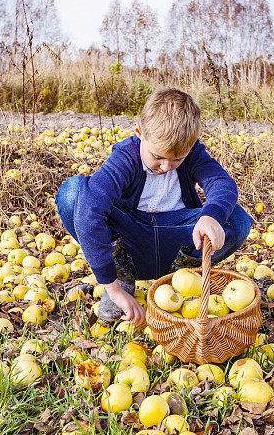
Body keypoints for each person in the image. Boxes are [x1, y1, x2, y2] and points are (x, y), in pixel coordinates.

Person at [55, 88, 253, 327]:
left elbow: (222, 183)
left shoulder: (192, 154)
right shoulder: (126, 157)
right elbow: (90, 209)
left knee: (237, 220)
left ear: (191, 146)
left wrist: (211, 217)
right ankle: (122, 274)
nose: (166, 166)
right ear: (139, 132)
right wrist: (113, 287)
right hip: (131, 240)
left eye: (177, 159)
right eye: (158, 156)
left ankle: (180, 281)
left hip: (177, 238)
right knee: (73, 193)